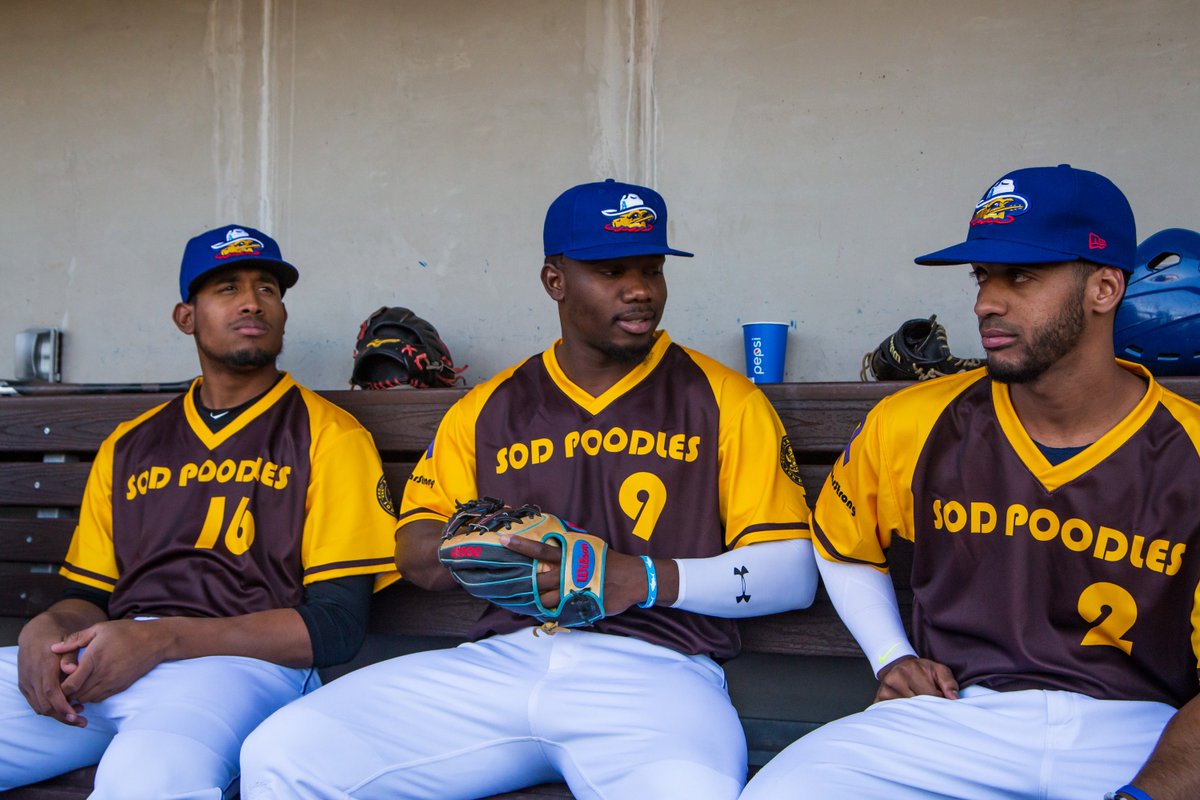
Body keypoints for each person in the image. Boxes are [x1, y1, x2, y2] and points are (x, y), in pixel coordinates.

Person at [240, 179, 819, 800]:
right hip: (501, 663)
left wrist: (640, 578)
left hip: (659, 672)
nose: (641, 290)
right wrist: (480, 544)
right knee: (283, 752)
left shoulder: (723, 398)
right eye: (611, 270)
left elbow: (790, 574)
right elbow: (414, 546)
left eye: (652, 269)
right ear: (555, 280)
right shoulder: (489, 408)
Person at [741, 165, 1200, 800]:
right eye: (983, 276)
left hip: (1142, 726)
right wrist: (890, 656)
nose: (987, 301)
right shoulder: (917, 419)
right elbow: (843, 541)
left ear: (1104, 287)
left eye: (1022, 276)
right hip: (958, 717)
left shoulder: (1189, 450)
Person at [0, 225, 401, 798]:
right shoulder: (131, 444)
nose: (251, 302)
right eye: (226, 288)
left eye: (268, 288)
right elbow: (88, 594)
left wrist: (162, 639)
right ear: (185, 317)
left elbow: (335, 627)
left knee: (144, 779)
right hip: (107, 658)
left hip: (239, 669)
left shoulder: (328, 436)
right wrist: (51, 626)